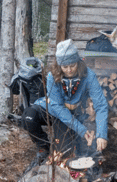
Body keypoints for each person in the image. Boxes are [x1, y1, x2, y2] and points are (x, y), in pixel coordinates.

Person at [21, 39, 109, 173]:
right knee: (29, 116)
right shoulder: (52, 76)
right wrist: (82, 130)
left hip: (71, 115)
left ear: (78, 62)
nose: (68, 70)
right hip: (52, 110)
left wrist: (102, 134)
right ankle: (43, 147)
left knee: (65, 153)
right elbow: (58, 109)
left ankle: (64, 146)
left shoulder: (88, 75)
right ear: (59, 65)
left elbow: (101, 105)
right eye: (64, 66)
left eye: (72, 65)